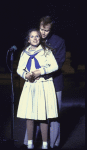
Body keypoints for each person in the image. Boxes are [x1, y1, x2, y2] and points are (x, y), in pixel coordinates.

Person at [23, 16, 66, 149]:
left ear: (51, 30)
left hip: (54, 83)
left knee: (53, 115)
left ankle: (52, 143)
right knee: (33, 112)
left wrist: (40, 72)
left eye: (46, 31)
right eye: (41, 29)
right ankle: (29, 141)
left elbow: (58, 63)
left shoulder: (59, 42)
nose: (43, 33)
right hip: (36, 84)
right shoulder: (35, 39)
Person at [17, 29, 59, 149]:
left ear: (40, 38)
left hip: (43, 85)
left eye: (37, 36)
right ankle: (30, 143)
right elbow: (20, 69)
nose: (35, 38)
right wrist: (26, 75)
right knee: (29, 115)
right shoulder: (25, 53)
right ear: (28, 39)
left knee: (42, 115)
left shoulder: (46, 51)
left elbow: (55, 66)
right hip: (30, 86)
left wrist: (41, 71)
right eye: (32, 36)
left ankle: (45, 144)